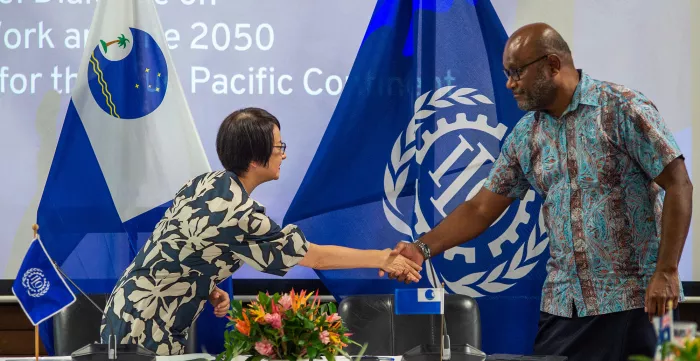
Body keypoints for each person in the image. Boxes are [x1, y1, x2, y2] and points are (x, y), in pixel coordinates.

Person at [383, 23, 692, 361]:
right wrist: (422, 248)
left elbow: (679, 184)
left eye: (516, 72)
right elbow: (481, 209)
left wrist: (666, 271)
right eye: (506, 73)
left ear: (553, 65)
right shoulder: (525, 135)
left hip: (634, 303)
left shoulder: (621, 109)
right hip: (563, 307)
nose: (509, 83)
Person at [99, 107, 423, 356]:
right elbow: (316, 257)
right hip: (147, 328)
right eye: (279, 146)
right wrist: (382, 257)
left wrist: (203, 285)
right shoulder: (240, 215)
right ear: (255, 158)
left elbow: (177, 247)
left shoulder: (205, 183)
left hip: (127, 308)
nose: (283, 154)